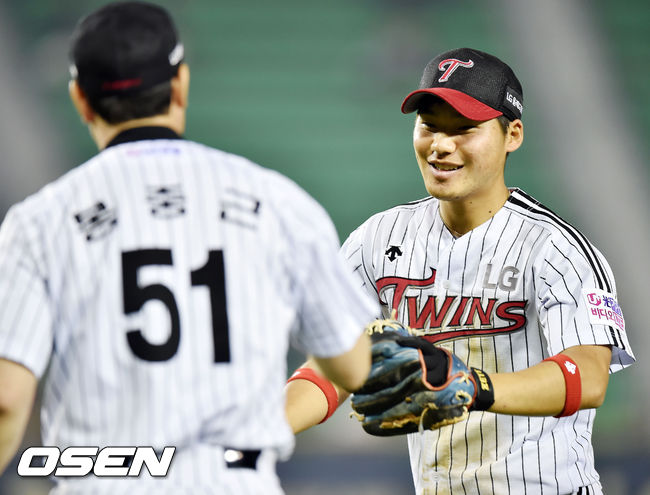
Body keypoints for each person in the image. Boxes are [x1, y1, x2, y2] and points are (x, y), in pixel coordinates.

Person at [0, 2, 377, 493]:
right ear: (180, 84)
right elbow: (352, 365)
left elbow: (7, 400)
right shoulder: (279, 202)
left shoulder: (39, 222)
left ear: (81, 100)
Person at [285, 47, 635, 494]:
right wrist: (258, 430)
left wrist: (474, 386)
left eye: (464, 128)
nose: (441, 145)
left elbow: (588, 376)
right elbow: (332, 366)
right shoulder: (377, 239)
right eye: (429, 126)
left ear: (512, 135)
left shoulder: (555, 248)